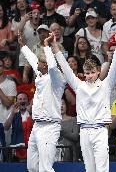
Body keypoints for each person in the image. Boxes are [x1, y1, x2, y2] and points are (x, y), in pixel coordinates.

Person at [52, 31, 116, 172]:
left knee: (102, 168)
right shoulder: (79, 86)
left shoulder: (105, 85)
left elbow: (114, 69)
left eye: (92, 73)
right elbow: (66, 69)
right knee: (89, 169)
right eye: (87, 73)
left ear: (98, 72)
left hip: (100, 130)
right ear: (84, 73)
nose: (90, 76)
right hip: (84, 131)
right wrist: (55, 47)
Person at [18, 32, 66, 172]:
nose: (36, 64)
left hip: (50, 127)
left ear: (44, 64)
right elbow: (33, 60)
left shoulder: (57, 80)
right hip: (37, 125)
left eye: (40, 62)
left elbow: (52, 67)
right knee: (32, 167)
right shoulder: (40, 74)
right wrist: (23, 46)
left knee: (45, 168)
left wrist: (46, 46)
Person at [4, 92, 32, 161]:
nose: (22, 101)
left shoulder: (33, 112)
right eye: (20, 99)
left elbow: (36, 126)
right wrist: (12, 114)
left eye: (24, 99)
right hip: (17, 150)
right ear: (16, 102)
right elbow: (6, 127)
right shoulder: (13, 112)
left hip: (32, 148)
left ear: (28, 101)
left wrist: (31, 113)